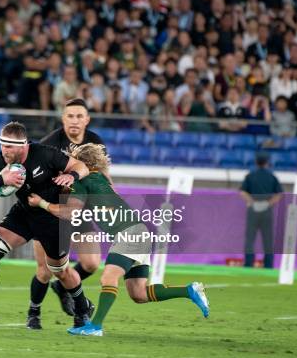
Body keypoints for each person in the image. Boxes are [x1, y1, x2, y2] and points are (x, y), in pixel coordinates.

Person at [28, 143, 210, 337]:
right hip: (140, 233)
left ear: (82, 163)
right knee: (139, 294)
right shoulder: (101, 179)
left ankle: (95, 326)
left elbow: (70, 212)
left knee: (108, 277)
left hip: (129, 233)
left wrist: (42, 203)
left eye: (73, 161)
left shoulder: (84, 180)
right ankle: (189, 290)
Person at [0, 122, 93, 328]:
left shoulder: (45, 154)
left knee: (60, 272)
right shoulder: (1, 162)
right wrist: (1, 180)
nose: (4, 150)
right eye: (2, 145)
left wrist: (70, 175)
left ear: (23, 146)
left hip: (52, 219)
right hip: (24, 213)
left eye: (9, 147)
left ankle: (82, 310)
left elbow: (81, 167)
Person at [31, 99, 105, 324]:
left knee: (92, 263)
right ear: (63, 118)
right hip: (51, 210)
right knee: (44, 270)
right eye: (70, 116)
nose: (74, 120)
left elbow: (102, 172)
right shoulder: (50, 143)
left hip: (79, 208)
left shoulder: (95, 142)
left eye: (79, 116)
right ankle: (33, 313)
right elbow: (37, 177)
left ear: (87, 120)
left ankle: (63, 288)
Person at [239, 152, 283, 269]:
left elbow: (242, 191)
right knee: (268, 239)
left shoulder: (250, 175)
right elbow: (279, 193)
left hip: (253, 209)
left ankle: (248, 264)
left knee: (250, 238)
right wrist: (268, 203)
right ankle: (268, 265)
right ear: (267, 162)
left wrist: (252, 202)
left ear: (256, 162)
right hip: (266, 210)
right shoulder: (272, 176)